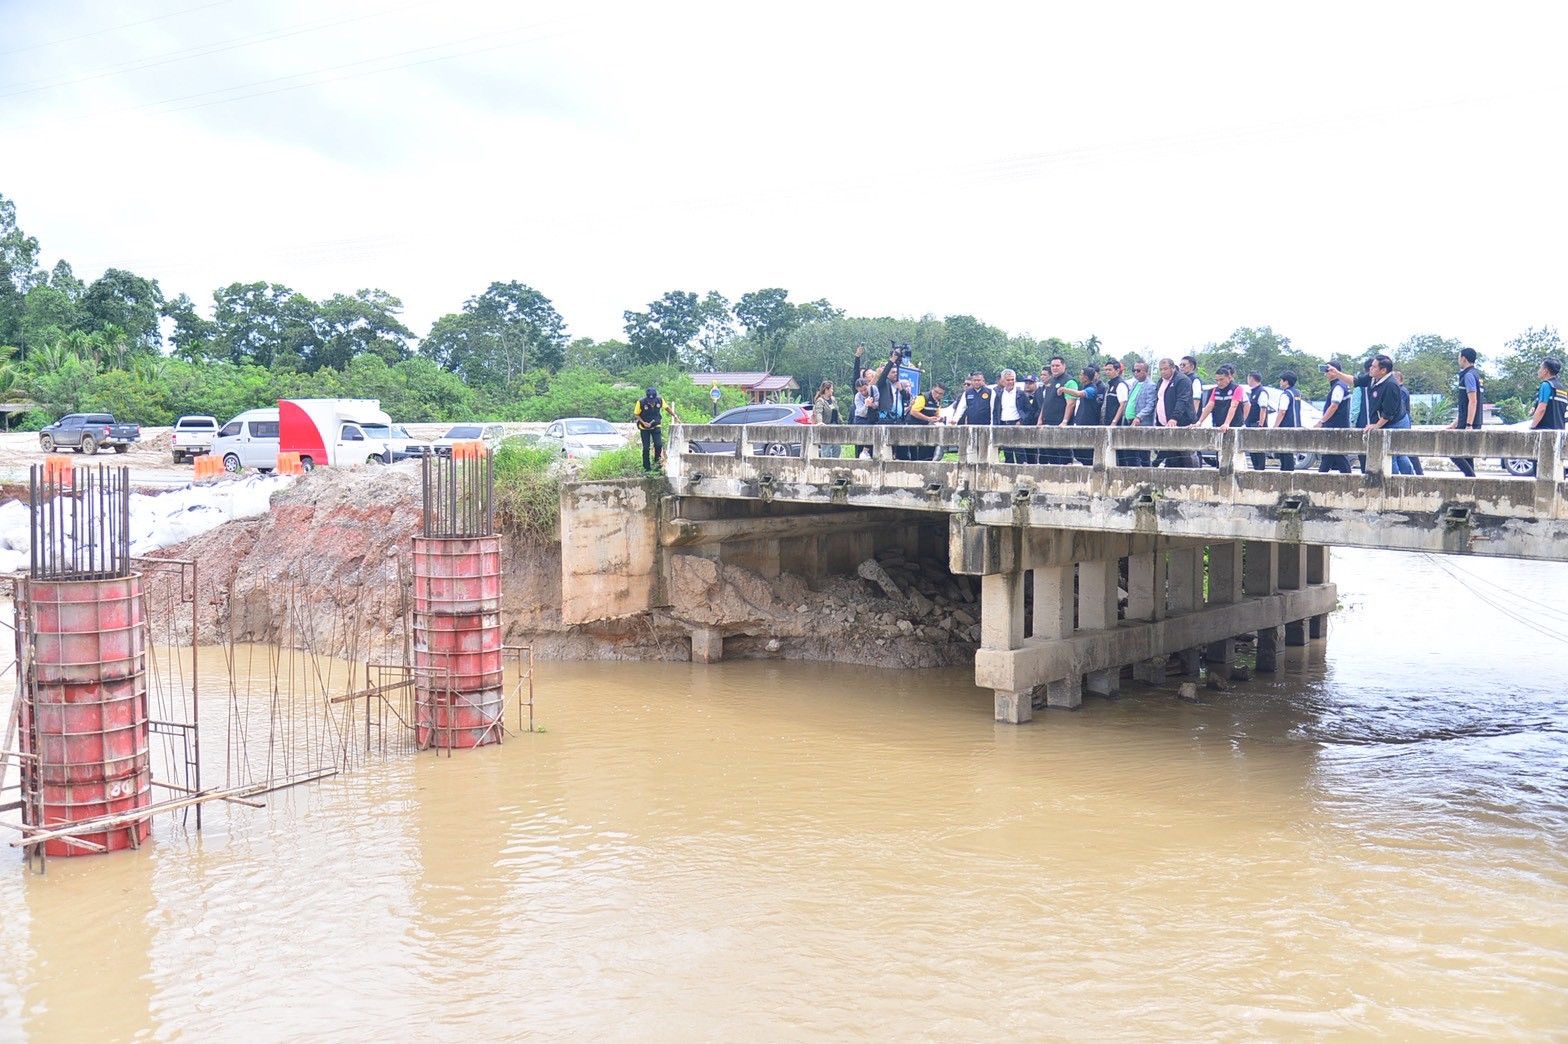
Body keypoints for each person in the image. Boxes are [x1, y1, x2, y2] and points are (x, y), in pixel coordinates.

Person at [1364, 354, 1416, 475]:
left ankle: (1397, 483)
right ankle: (1407, 480)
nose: (1371, 369)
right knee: (1398, 454)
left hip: (1396, 421)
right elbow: (1356, 380)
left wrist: (1376, 426)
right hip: (1390, 420)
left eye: (1374, 367)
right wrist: (1338, 374)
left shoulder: (1390, 385)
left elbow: (1388, 413)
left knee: (1392, 455)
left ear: (1383, 370)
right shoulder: (1373, 379)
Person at [1154, 357, 1198, 466]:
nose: (1163, 372)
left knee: (1185, 454)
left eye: (1165, 369)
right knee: (1170, 455)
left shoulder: (1182, 380)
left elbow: (1182, 400)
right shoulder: (1161, 381)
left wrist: (1174, 417)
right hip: (1164, 424)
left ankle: (1193, 479)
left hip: (1182, 422)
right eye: (1161, 369)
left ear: (1173, 368)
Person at [1036, 355, 1078, 464]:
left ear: (1064, 366)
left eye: (1057, 365)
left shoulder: (1070, 381)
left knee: (1063, 454)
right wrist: (1040, 419)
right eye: (1053, 366)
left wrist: (1064, 422)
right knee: (1049, 453)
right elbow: (1046, 402)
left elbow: (1071, 404)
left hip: (1060, 424)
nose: (1055, 368)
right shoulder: (1051, 381)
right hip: (1047, 423)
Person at [1449, 347, 1484, 477]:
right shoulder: (1475, 374)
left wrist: (1468, 425)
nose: (1458, 360)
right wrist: (1456, 423)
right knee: (1467, 456)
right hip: (1469, 420)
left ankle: (1473, 479)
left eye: (1459, 357)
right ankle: (1471, 484)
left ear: (1464, 358)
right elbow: (1465, 404)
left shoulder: (1468, 375)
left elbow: (1472, 401)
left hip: (1469, 423)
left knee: (1453, 452)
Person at [1314, 363, 1352, 473]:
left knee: (1336, 454)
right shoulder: (1341, 385)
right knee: (1330, 455)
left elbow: (1334, 405)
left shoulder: (1339, 386)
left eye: (1329, 370)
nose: (1327, 373)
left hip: (1335, 426)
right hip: (1337, 425)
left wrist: (1322, 421)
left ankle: (1322, 479)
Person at [1064, 363, 1105, 464]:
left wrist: (1064, 389)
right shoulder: (1086, 386)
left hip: (1088, 424)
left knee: (1086, 453)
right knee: (1079, 452)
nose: (1080, 376)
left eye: (1081, 375)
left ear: (1086, 377)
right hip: (1081, 423)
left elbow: (1079, 394)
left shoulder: (1092, 389)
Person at [633, 386, 676, 471]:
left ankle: (657, 464)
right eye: (650, 401)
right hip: (644, 427)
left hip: (656, 425)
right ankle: (646, 467)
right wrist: (643, 422)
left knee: (658, 445)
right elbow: (636, 414)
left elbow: (667, 408)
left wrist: (674, 415)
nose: (651, 403)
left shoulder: (659, 400)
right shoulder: (641, 402)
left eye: (652, 401)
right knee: (646, 448)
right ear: (647, 398)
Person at [991, 368, 1028, 463]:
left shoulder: (1020, 394)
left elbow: (1028, 411)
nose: (1010, 382)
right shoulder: (999, 394)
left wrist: (1021, 421)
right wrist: (996, 426)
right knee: (1007, 451)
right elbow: (996, 412)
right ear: (1003, 380)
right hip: (1003, 424)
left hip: (1017, 424)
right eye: (1008, 380)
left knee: (1020, 451)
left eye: (1012, 379)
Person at [1126, 359, 1158, 466]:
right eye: (1134, 370)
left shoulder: (1151, 385)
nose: (1136, 373)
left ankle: (1146, 478)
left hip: (1141, 423)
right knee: (1130, 452)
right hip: (1129, 421)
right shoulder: (1135, 383)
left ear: (1146, 372)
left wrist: (1139, 417)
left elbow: (1150, 405)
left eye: (1138, 370)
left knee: (1143, 454)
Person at [1393, 370, 1424, 474]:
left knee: (1406, 451)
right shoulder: (1402, 390)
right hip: (1405, 421)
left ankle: (1418, 473)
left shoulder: (1401, 391)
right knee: (1406, 451)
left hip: (1402, 422)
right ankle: (1418, 473)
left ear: (1398, 379)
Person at [1197, 364, 1243, 430]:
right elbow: (1210, 405)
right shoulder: (1215, 390)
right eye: (1217, 380)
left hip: (1234, 425)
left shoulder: (1237, 388)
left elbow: (1233, 406)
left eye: (1221, 380)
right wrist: (1199, 422)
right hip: (1218, 424)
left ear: (1229, 378)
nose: (1219, 382)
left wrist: (1227, 423)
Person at [907, 382, 946, 460]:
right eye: (936, 392)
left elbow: (936, 414)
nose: (937, 395)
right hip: (915, 427)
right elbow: (913, 412)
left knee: (927, 452)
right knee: (917, 453)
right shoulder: (923, 397)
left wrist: (939, 418)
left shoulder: (938, 401)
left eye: (940, 394)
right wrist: (928, 418)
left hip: (926, 429)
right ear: (932, 389)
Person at [1242, 371, 1272, 470]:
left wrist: (1261, 424)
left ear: (1251, 378)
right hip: (1250, 424)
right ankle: (1256, 469)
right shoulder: (1253, 392)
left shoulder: (1261, 391)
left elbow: (1263, 409)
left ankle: (1260, 470)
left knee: (1258, 449)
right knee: (1252, 449)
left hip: (1257, 424)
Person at [1272, 371, 1301, 472]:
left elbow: (1282, 411)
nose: (1280, 382)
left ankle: (1286, 475)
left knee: (1285, 453)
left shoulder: (1286, 394)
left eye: (1281, 380)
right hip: (1295, 426)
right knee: (1289, 452)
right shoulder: (1296, 393)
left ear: (1286, 382)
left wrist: (1275, 427)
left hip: (1286, 427)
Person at [1528, 357, 1566, 431]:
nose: (1538, 371)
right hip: (1560, 431)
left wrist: (1532, 427)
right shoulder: (1562, 388)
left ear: (1545, 371)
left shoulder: (1546, 385)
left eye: (1540, 368)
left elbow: (1541, 409)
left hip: (1545, 431)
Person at [812, 380, 838, 459]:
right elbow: (818, 413)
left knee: (837, 448)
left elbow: (836, 412)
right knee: (826, 449)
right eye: (831, 389)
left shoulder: (833, 399)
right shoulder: (820, 401)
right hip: (826, 426)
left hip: (836, 426)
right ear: (826, 390)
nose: (832, 391)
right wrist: (820, 423)